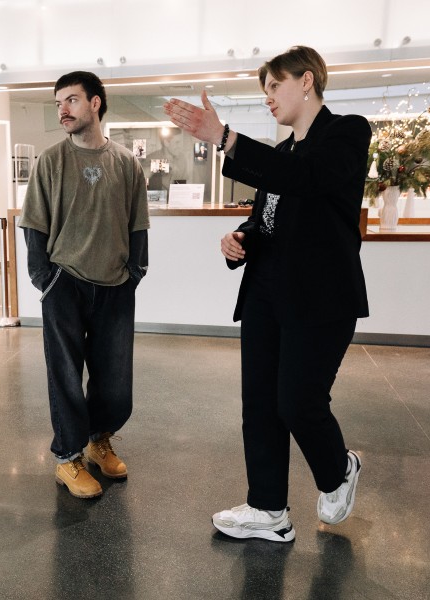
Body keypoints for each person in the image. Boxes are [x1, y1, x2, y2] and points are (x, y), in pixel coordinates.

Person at [163, 46, 370, 541]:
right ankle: (268, 509)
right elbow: (268, 219)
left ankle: (338, 469)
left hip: (320, 297)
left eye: (275, 85)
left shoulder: (347, 132)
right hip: (265, 290)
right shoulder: (281, 155)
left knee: (298, 402)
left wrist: (226, 138)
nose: (268, 97)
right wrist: (242, 237)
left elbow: (309, 180)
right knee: (259, 403)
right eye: (265, 90)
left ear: (307, 80)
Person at [19, 71, 150, 499]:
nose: (63, 109)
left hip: (115, 286)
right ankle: (67, 457)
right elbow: (34, 225)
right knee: (65, 376)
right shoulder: (50, 161)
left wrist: (135, 273)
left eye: (72, 100)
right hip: (65, 283)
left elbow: (138, 224)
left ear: (95, 103)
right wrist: (46, 280)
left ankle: (98, 441)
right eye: (58, 102)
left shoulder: (126, 162)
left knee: (115, 379)